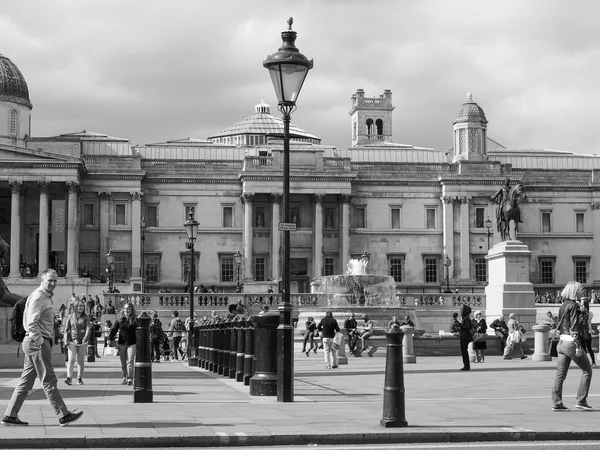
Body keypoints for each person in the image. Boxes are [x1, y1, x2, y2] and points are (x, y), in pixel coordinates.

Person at [1, 269, 84, 427]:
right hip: (36, 342)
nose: (53, 283)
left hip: (34, 342)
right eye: (49, 280)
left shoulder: (45, 297)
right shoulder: (39, 297)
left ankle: (10, 415)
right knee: (49, 380)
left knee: (25, 382)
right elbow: (32, 323)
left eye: (55, 281)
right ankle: (63, 414)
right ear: (42, 280)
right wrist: (40, 342)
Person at [551, 281, 593, 411]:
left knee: (560, 374)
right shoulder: (574, 306)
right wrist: (578, 346)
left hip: (561, 342)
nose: (583, 292)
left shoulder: (563, 305)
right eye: (581, 290)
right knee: (587, 371)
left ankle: (557, 403)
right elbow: (575, 327)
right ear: (575, 292)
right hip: (571, 343)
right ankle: (581, 400)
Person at [107, 302, 138, 386]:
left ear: (131, 310)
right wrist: (109, 338)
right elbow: (114, 329)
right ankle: (125, 377)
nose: (126, 310)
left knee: (130, 361)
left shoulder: (135, 319)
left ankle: (130, 378)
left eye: (128, 309)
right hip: (122, 343)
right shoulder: (120, 319)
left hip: (132, 343)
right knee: (123, 363)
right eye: (125, 309)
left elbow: (139, 330)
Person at [63, 299, 91, 385]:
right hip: (72, 340)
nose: (81, 308)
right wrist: (65, 340)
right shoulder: (70, 317)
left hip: (82, 341)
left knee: (80, 361)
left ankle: (79, 378)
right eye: (79, 306)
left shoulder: (86, 317)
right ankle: (69, 377)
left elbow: (88, 328)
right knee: (71, 360)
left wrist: (85, 338)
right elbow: (66, 329)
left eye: (82, 306)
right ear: (75, 307)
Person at [580, 299, 596, 368]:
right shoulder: (590, 313)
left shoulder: (581, 314)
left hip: (582, 333)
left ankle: (585, 363)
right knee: (589, 348)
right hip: (588, 332)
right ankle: (593, 362)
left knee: (583, 349)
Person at [458, 304, 473, 371]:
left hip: (465, 337)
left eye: (461, 310)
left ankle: (466, 365)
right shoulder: (465, 317)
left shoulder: (466, 318)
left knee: (464, 351)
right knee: (464, 351)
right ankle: (466, 365)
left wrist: (460, 325)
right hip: (463, 336)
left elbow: (467, 327)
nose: (460, 311)